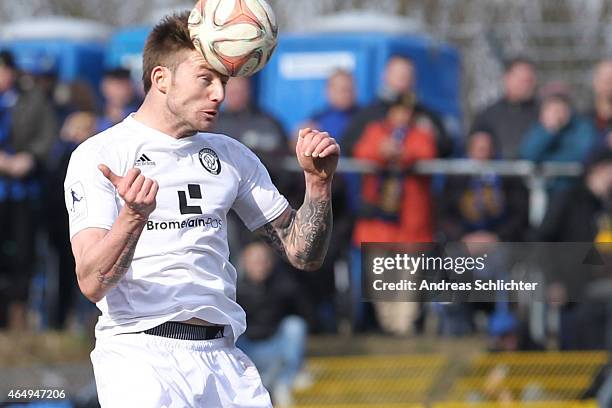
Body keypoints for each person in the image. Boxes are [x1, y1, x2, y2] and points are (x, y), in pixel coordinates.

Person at [64, 13, 339, 408]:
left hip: (224, 359)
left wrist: (318, 185)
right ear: (161, 79)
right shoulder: (100, 155)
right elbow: (92, 281)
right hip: (141, 357)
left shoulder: (232, 156)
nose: (219, 95)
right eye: (205, 79)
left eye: (223, 82)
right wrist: (132, 218)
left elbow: (303, 254)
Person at [0, 50, 58, 330]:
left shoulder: (32, 99)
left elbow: (47, 137)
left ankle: (18, 316)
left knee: (23, 254)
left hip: (24, 191)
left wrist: (29, 159)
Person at [236, 241, 311, 406]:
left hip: (275, 346)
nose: (261, 266)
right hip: (246, 349)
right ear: (245, 262)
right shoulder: (234, 289)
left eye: (264, 260)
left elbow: (305, 312)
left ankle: (284, 381)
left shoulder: (284, 284)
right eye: (255, 261)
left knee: (295, 326)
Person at [341, 55, 452, 158]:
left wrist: (427, 139)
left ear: (414, 79)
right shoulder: (369, 113)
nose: (402, 79)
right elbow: (349, 146)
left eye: (407, 75)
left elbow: (446, 148)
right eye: (398, 74)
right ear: (385, 76)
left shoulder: (425, 114)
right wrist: (378, 149)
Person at [519, 84, 598, 193]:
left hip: (576, 190)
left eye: (562, 104)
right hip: (545, 191)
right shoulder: (539, 129)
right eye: (552, 105)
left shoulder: (582, 127)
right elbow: (528, 155)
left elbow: (582, 155)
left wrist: (545, 163)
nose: (558, 110)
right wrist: (549, 131)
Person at [470, 57, 539, 159]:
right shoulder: (488, 115)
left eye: (528, 81)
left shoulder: (542, 113)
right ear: (507, 78)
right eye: (521, 80)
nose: (525, 85)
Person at [96, 67, 139, 132]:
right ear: (104, 86)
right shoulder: (94, 114)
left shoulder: (139, 114)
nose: (122, 91)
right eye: (117, 86)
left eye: (125, 85)